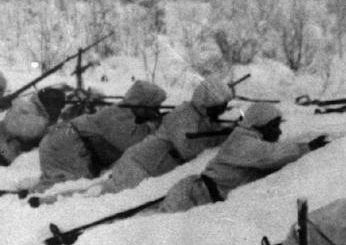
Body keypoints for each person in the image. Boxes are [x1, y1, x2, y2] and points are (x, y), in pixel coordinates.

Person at [157, 101, 322, 212]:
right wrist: (307, 147)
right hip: (192, 197)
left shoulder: (249, 136)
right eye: (274, 126)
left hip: (200, 195)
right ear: (261, 125)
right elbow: (271, 155)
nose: (279, 132)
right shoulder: (244, 141)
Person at [103, 76, 234, 193]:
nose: (220, 111)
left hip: (149, 167)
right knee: (116, 201)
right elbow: (188, 149)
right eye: (218, 108)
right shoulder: (183, 115)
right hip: (138, 165)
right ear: (205, 103)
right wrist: (221, 137)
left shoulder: (199, 115)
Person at [34, 81, 167, 188]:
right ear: (142, 104)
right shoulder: (119, 118)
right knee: (71, 188)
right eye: (155, 107)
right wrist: (157, 124)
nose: (156, 111)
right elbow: (135, 141)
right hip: (65, 144)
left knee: (60, 181)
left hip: (62, 141)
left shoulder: (121, 112)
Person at [1, 85, 70, 166]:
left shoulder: (45, 117)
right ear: (48, 103)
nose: (59, 110)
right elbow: (14, 125)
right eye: (58, 105)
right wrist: (47, 127)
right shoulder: (26, 107)